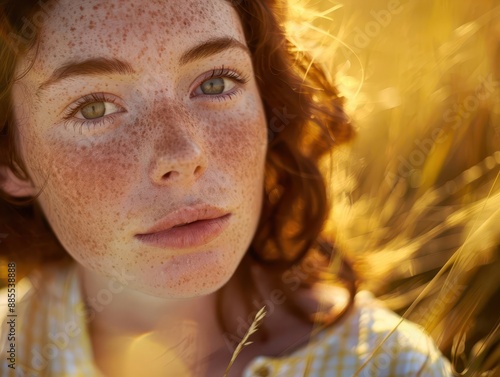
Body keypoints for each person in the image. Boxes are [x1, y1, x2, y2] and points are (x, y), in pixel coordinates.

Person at [0, 0, 453, 376]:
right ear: (10, 160)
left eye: (215, 82)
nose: (181, 155)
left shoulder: (387, 366)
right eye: (94, 107)